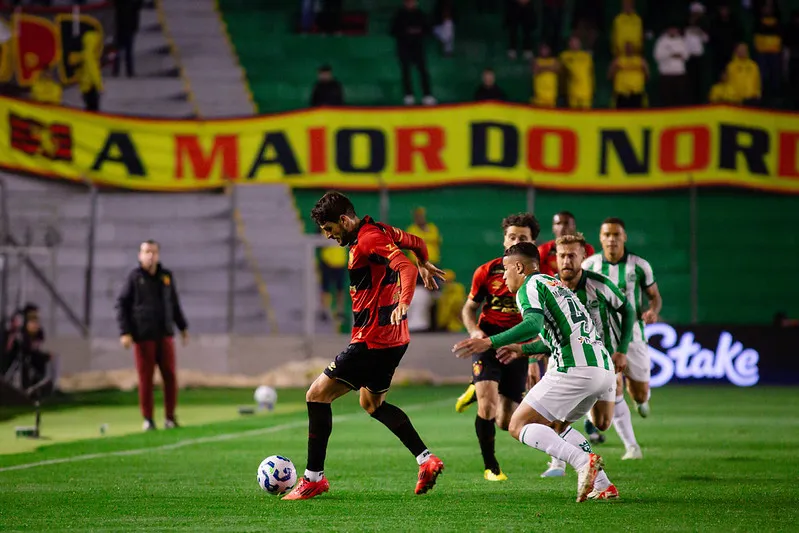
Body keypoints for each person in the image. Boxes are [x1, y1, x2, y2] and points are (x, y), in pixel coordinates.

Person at [282, 191, 446, 501]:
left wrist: (404, 300)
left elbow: (405, 269)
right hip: (396, 341)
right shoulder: (382, 230)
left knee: (316, 396)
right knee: (372, 404)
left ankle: (313, 478)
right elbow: (416, 243)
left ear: (344, 220)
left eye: (330, 229)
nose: (329, 236)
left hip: (371, 341)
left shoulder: (369, 239)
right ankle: (426, 460)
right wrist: (425, 262)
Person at [453, 242, 616, 503]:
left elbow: (532, 324)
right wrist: (522, 349)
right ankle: (603, 484)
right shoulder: (555, 284)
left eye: (506, 270)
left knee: (519, 425)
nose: (504, 277)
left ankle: (582, 461)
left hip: (574, 368)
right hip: (603, 369)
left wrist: (489, 342)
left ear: (519, 266)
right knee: (556, 426)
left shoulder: (529, 286)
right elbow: (554, 335)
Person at [538, 233, 634, 492]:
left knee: (602, 422)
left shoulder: (599, 284)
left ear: (583, 257)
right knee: (553, 420)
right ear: (555, 258)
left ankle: (587, 468)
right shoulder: (549, 288)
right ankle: (562, 463)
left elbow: (628, 310)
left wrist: (622, 350)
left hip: (599, 363)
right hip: (563, 363)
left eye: (572, 255)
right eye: (562, 255)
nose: (567, 260)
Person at [454, 213, 541, 481]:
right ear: (504, 240)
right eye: (512, 236)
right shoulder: (487, 271)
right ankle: (491, 467)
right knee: (488, 406)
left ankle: (475, 387)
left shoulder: (538, 278)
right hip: (487, 343)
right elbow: (469, 308)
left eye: (522, 238)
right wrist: (475, 331)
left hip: (516, 349)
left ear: (532, 243)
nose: (515, 241)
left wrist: (533, 358)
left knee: (506, 422)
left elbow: (539, 322)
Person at [583, 217, 662, 460]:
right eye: (607, 234)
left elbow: (654, 296)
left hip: (634, 335)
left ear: (624, 237)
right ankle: (632, 447)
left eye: (616, 234)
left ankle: (640, 399)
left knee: (639, 393)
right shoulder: (590, 265)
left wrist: (653, 311)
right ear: (600, 238)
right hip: (601, 338)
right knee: (613, 386)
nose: (612, 239)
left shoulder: (639, 266)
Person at [116, 240, 189, 431]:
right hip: (143, 336)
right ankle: (148, 418)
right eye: (147, 252)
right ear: (140, 255)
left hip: (164, 334)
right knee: (146, 379)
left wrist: (182, 327)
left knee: (170, 376)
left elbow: (173, 303)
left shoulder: (166, 277)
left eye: (154, 252)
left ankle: (170, 418)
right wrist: (125, 332)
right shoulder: (134, 278)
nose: (150, 256)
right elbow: (122, 305)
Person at [1, 304, 60, 398]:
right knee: (23, 361)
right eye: (32, 318)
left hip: (31, 356)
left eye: (36, 318)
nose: (35, 321)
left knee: (52, 358)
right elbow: (8, 349)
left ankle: (48, 386)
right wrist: (14, 333)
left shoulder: (38, 332)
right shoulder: (16, 332)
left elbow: (35, 347)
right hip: (15, 358)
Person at [391, 0, 436, 106]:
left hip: (418, 47)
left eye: (413, 2)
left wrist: (417, 31)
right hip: (404, 47)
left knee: (423, 71)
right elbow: (393, 30)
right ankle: (408, 95)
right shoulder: (399, 15)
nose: (411, 4)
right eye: (408, 2)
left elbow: (427, 30)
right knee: (406, 71)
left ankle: (427, 95)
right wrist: (407, 32)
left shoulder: (421, 14)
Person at [405, 207, 442, 332]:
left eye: (421, 216)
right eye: (417, 216)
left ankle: (434, 324)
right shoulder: (411, 229)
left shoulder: (432, 228)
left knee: (435, 294)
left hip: (433, 264)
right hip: (418, 266)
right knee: (419, 294)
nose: (419, 218)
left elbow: (434, 240)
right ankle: (417, 323)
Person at [537, 211, 595, 276]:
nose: (562, 227)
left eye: (566, 223)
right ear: (553, 228)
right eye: (558, 223)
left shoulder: (587, 249)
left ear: (574, 226)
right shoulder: (543, 250)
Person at [654, 24, 689, 107]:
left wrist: (679, 55)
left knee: (679, 97)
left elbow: (686, 55)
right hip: (666, 73)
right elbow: (657, 55)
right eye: (671, 29)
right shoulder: (662, 41)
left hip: (679, 73)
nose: (673, 31)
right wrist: (671, 54)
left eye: (675, 29)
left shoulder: (681, 40)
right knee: (667, 98)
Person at [610, 41, 649, 108]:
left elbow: (647, 74)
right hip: (621, 91)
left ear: (633, 49)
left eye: (630, 47)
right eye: (626, 48)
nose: (628, 49)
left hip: (636, 90)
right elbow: (610, 74)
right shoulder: (618, 60)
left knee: (637, 112)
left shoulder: (640, 60)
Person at [560, 35, 594, 109]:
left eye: (576, 42)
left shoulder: (586, 56)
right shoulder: (565, 55)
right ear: (569, 44)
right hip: (573, 92)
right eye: (572, 42)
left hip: (586, 91)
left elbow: (590, 72)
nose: (574, 44)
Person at [113, 0, 142, 77]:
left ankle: (116, 69)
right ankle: (129, 70)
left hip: (121, 20)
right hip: (130, 20)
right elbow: (139, 5)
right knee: (128, 47)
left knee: (119, 46)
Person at [79, 31, 103, 112]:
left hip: (85, 86)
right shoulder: (90, 57)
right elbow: (93, 71)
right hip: (91, 86)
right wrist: (99, 85)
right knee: (93, 110)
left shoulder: (85, 54)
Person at [531, 43, 560, 108]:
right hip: (539, 95)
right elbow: (535, 69)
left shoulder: (554, 60)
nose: (544, 51)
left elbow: (557, 69)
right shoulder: (536, 60)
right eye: (542, 49)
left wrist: (542, 68)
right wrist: (549, 68)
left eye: (546, 49)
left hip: (551, 95)